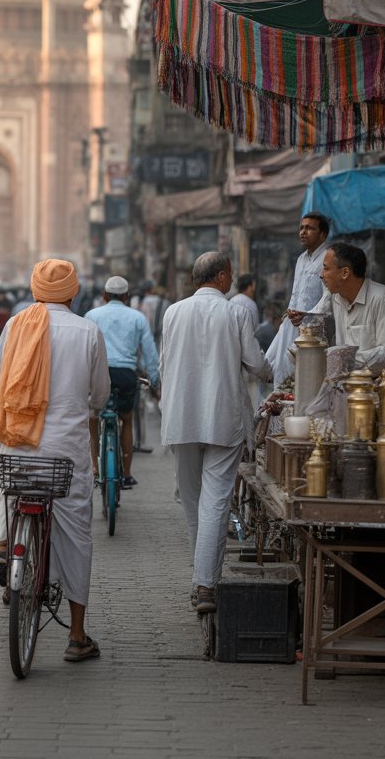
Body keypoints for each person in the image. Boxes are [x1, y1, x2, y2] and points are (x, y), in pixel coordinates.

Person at [0, 258, 110, 663]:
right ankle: (76, 635)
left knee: (11, 496)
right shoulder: (88, 331)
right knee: (76, 537)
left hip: (20, 447)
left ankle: (11, 551)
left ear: (35, 290)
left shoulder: (16, 325)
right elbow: (100, 394)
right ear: (73, 293)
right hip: (67, 453)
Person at [160, 251, 271, 616]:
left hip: (181, 417)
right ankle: (205, 583)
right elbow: (256, 363)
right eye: (230, 274)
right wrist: (274, 372)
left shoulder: (173, 312)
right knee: (216, 501)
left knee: (193, 501)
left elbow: (164, 364)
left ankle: (202, 577)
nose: (232, 280)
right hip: (223, 418)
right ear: (222, 277)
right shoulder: (235, 313)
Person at [84, 275, 160, 489]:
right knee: (127, 419)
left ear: (104, 295)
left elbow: (85, 348)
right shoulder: (138, 318)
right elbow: (149, 353)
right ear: (126, 296)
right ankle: (126, 474)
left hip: (99, 374)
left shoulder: (92, 315)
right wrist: (154, 380)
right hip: (127, 375)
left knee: (93, 418)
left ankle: (95, 468)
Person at [310, 242, 385, 375]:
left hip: (376, 384)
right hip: (344, 382)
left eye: (326, 269)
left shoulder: (382, 298)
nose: (321, 275)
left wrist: (347, 358)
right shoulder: (336, 298)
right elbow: (316, 318)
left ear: (345, 273)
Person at [265, 212, 329, 387]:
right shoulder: (301, 259)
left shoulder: (328, 257)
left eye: (309, 228)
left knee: (310, 378)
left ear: (322, 234)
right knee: (288, 377)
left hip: (317, 331)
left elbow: (329, 296)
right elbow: (295, 294)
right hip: (295, 325)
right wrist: (290, 313)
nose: (303, 232)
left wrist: (309, 315)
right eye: (301, 228)